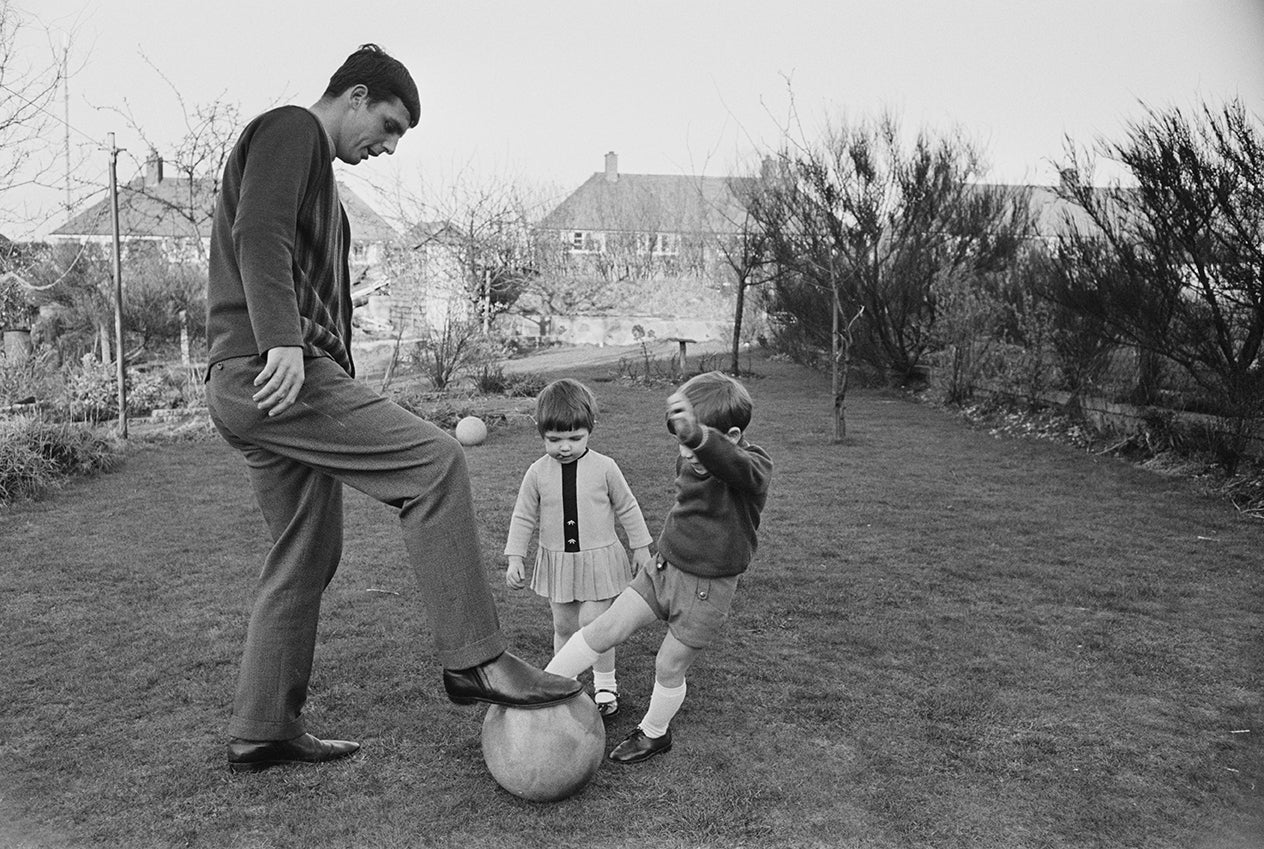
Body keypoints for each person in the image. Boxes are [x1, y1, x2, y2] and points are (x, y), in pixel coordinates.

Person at [204, 43, 580, 775]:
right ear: (353, 96)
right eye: (390, 122)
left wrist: (328, 363)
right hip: (272, 370)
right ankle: (477, 658)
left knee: (307, 550)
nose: (390, 143)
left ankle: (263, 727)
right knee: (435, 462)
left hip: (253, 379)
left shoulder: (323, 179)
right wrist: (281, 341)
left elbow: (307, 279)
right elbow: (259, 235)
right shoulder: (292, 130)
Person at [546, 371, 773, 764]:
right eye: (679, 440)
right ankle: (543, 691)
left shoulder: (753, 466)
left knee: (668, 665)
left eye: (691, 441)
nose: (684, 452)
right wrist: (693, 439)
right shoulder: (694, 456)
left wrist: (700, 439)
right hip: (662, 569)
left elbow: (734, 467)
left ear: (731, 436)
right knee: (602, 628)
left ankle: (654, 733)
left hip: (706, 588)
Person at [504, 379, 654, 718]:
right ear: (541, 433)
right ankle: (562, 682)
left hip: (599, 560)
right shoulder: (537, 472)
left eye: (575, 438)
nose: (565, 447)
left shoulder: (605, 467)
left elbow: (627, 507)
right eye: (554, 440)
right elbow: (523, 515)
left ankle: (605, 687)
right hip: (560, 563)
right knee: (564, 627)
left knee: (595, 624)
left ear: (591, 430)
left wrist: (641, 547)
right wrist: (516, 556)